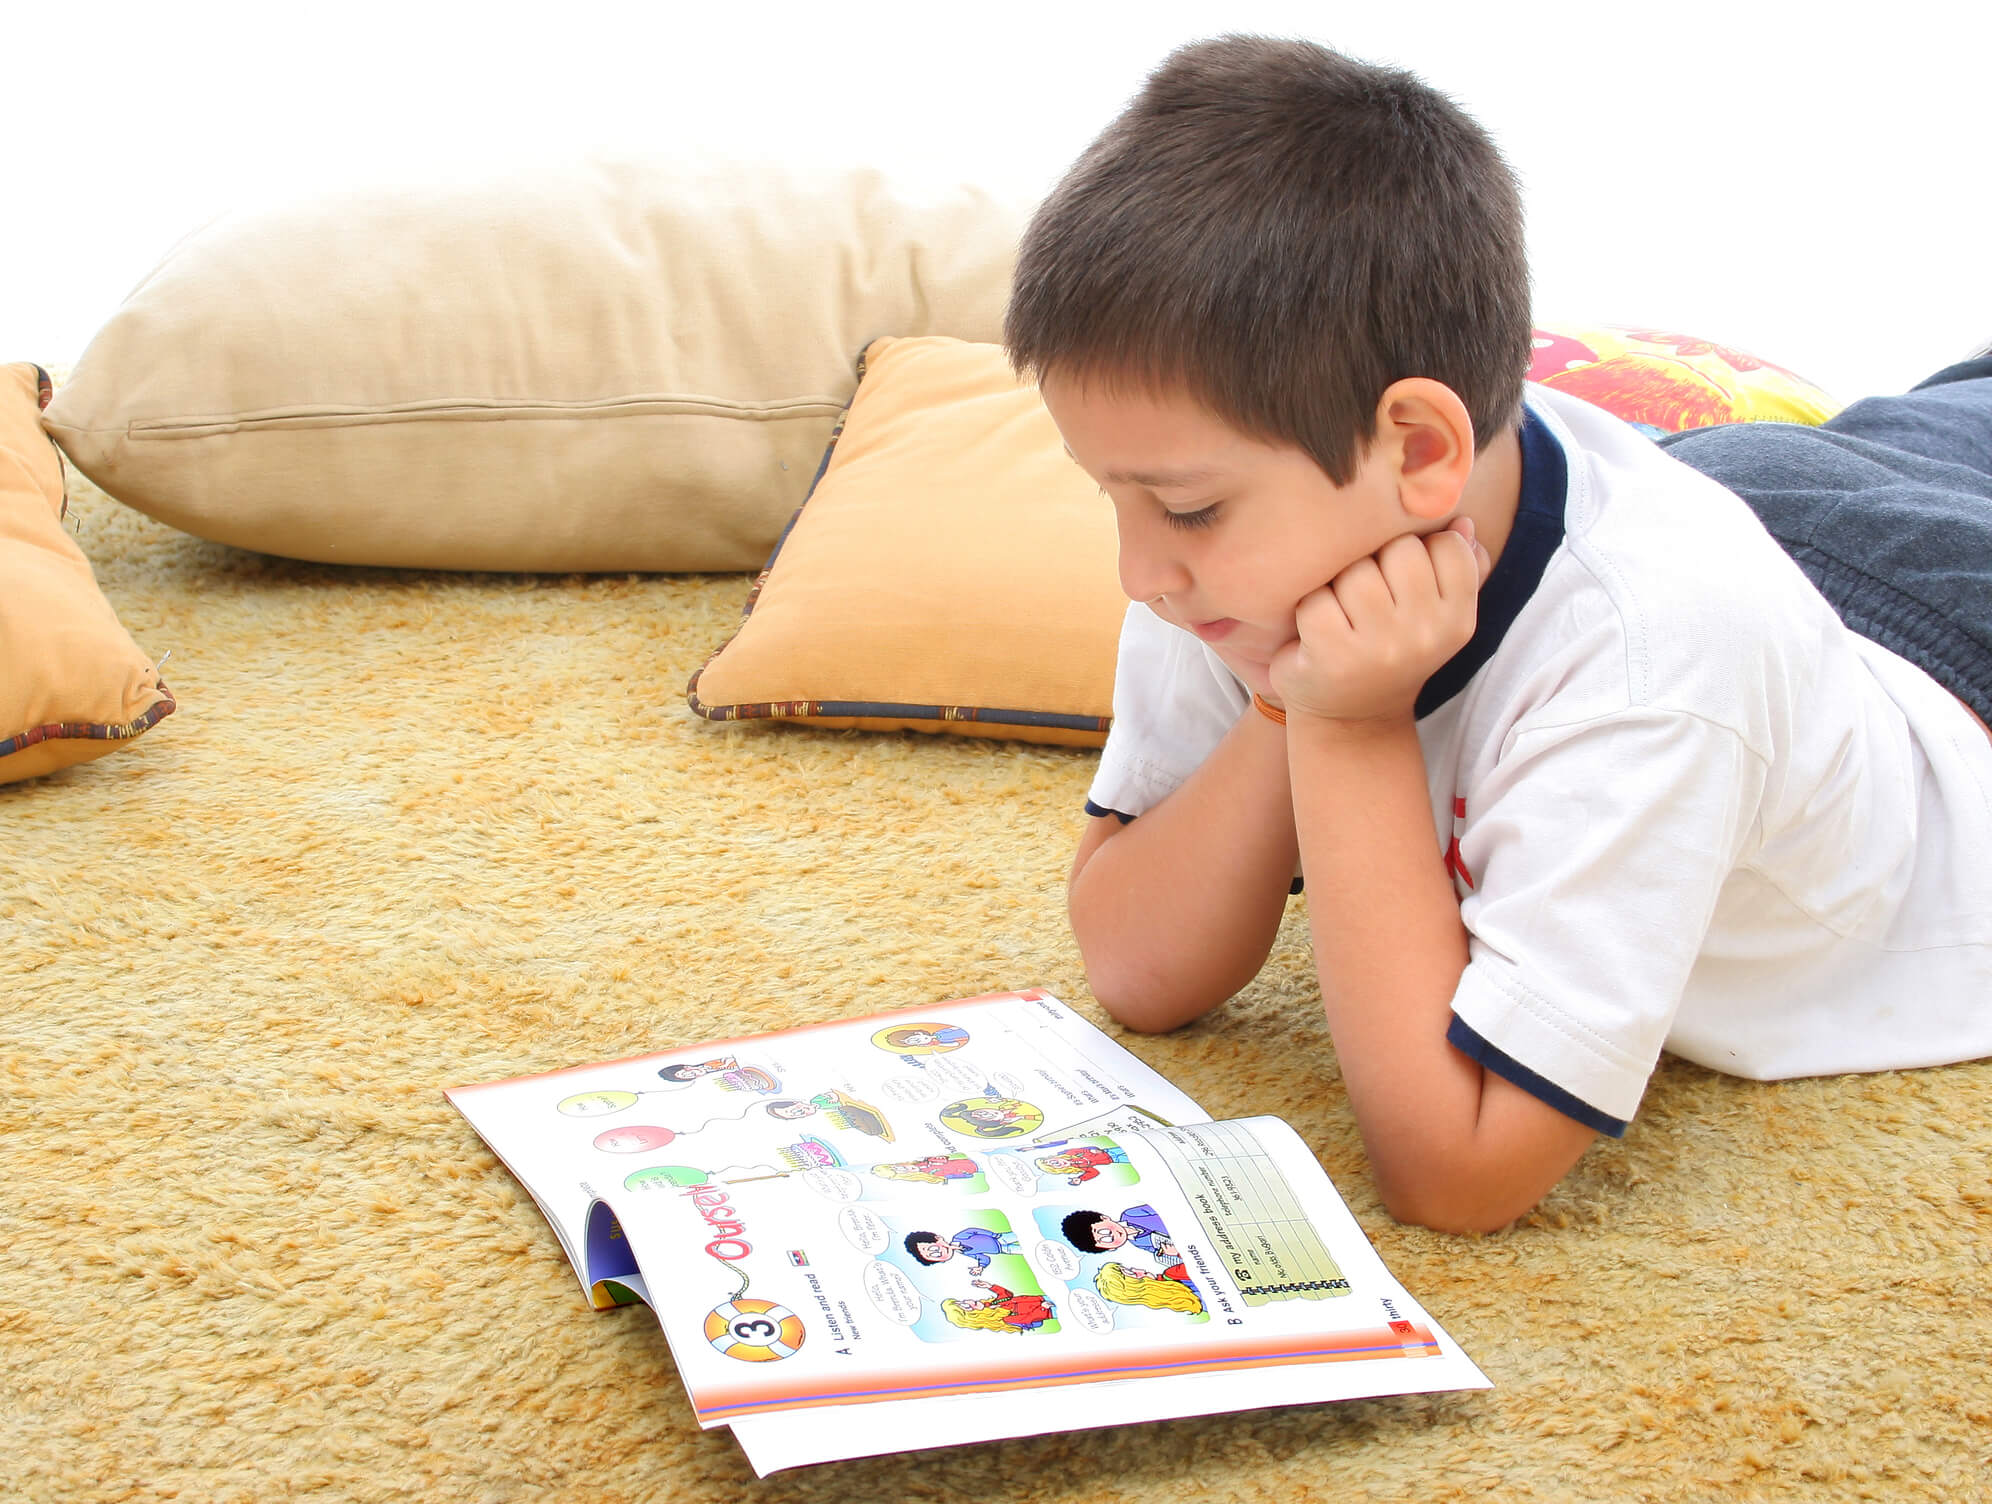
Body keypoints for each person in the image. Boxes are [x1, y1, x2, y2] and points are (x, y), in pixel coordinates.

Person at [1004, 35, 1992, 1234]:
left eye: (1187, 507)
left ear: (1421, 452)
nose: (1139, 569)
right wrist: (1280, 703)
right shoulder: (1224, 568)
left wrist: (1351, 725)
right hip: (1769, 493)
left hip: (1949, 652)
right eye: (1113, 497)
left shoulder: (1653, 665)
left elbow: (1459, 1170)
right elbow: (1141, 968)